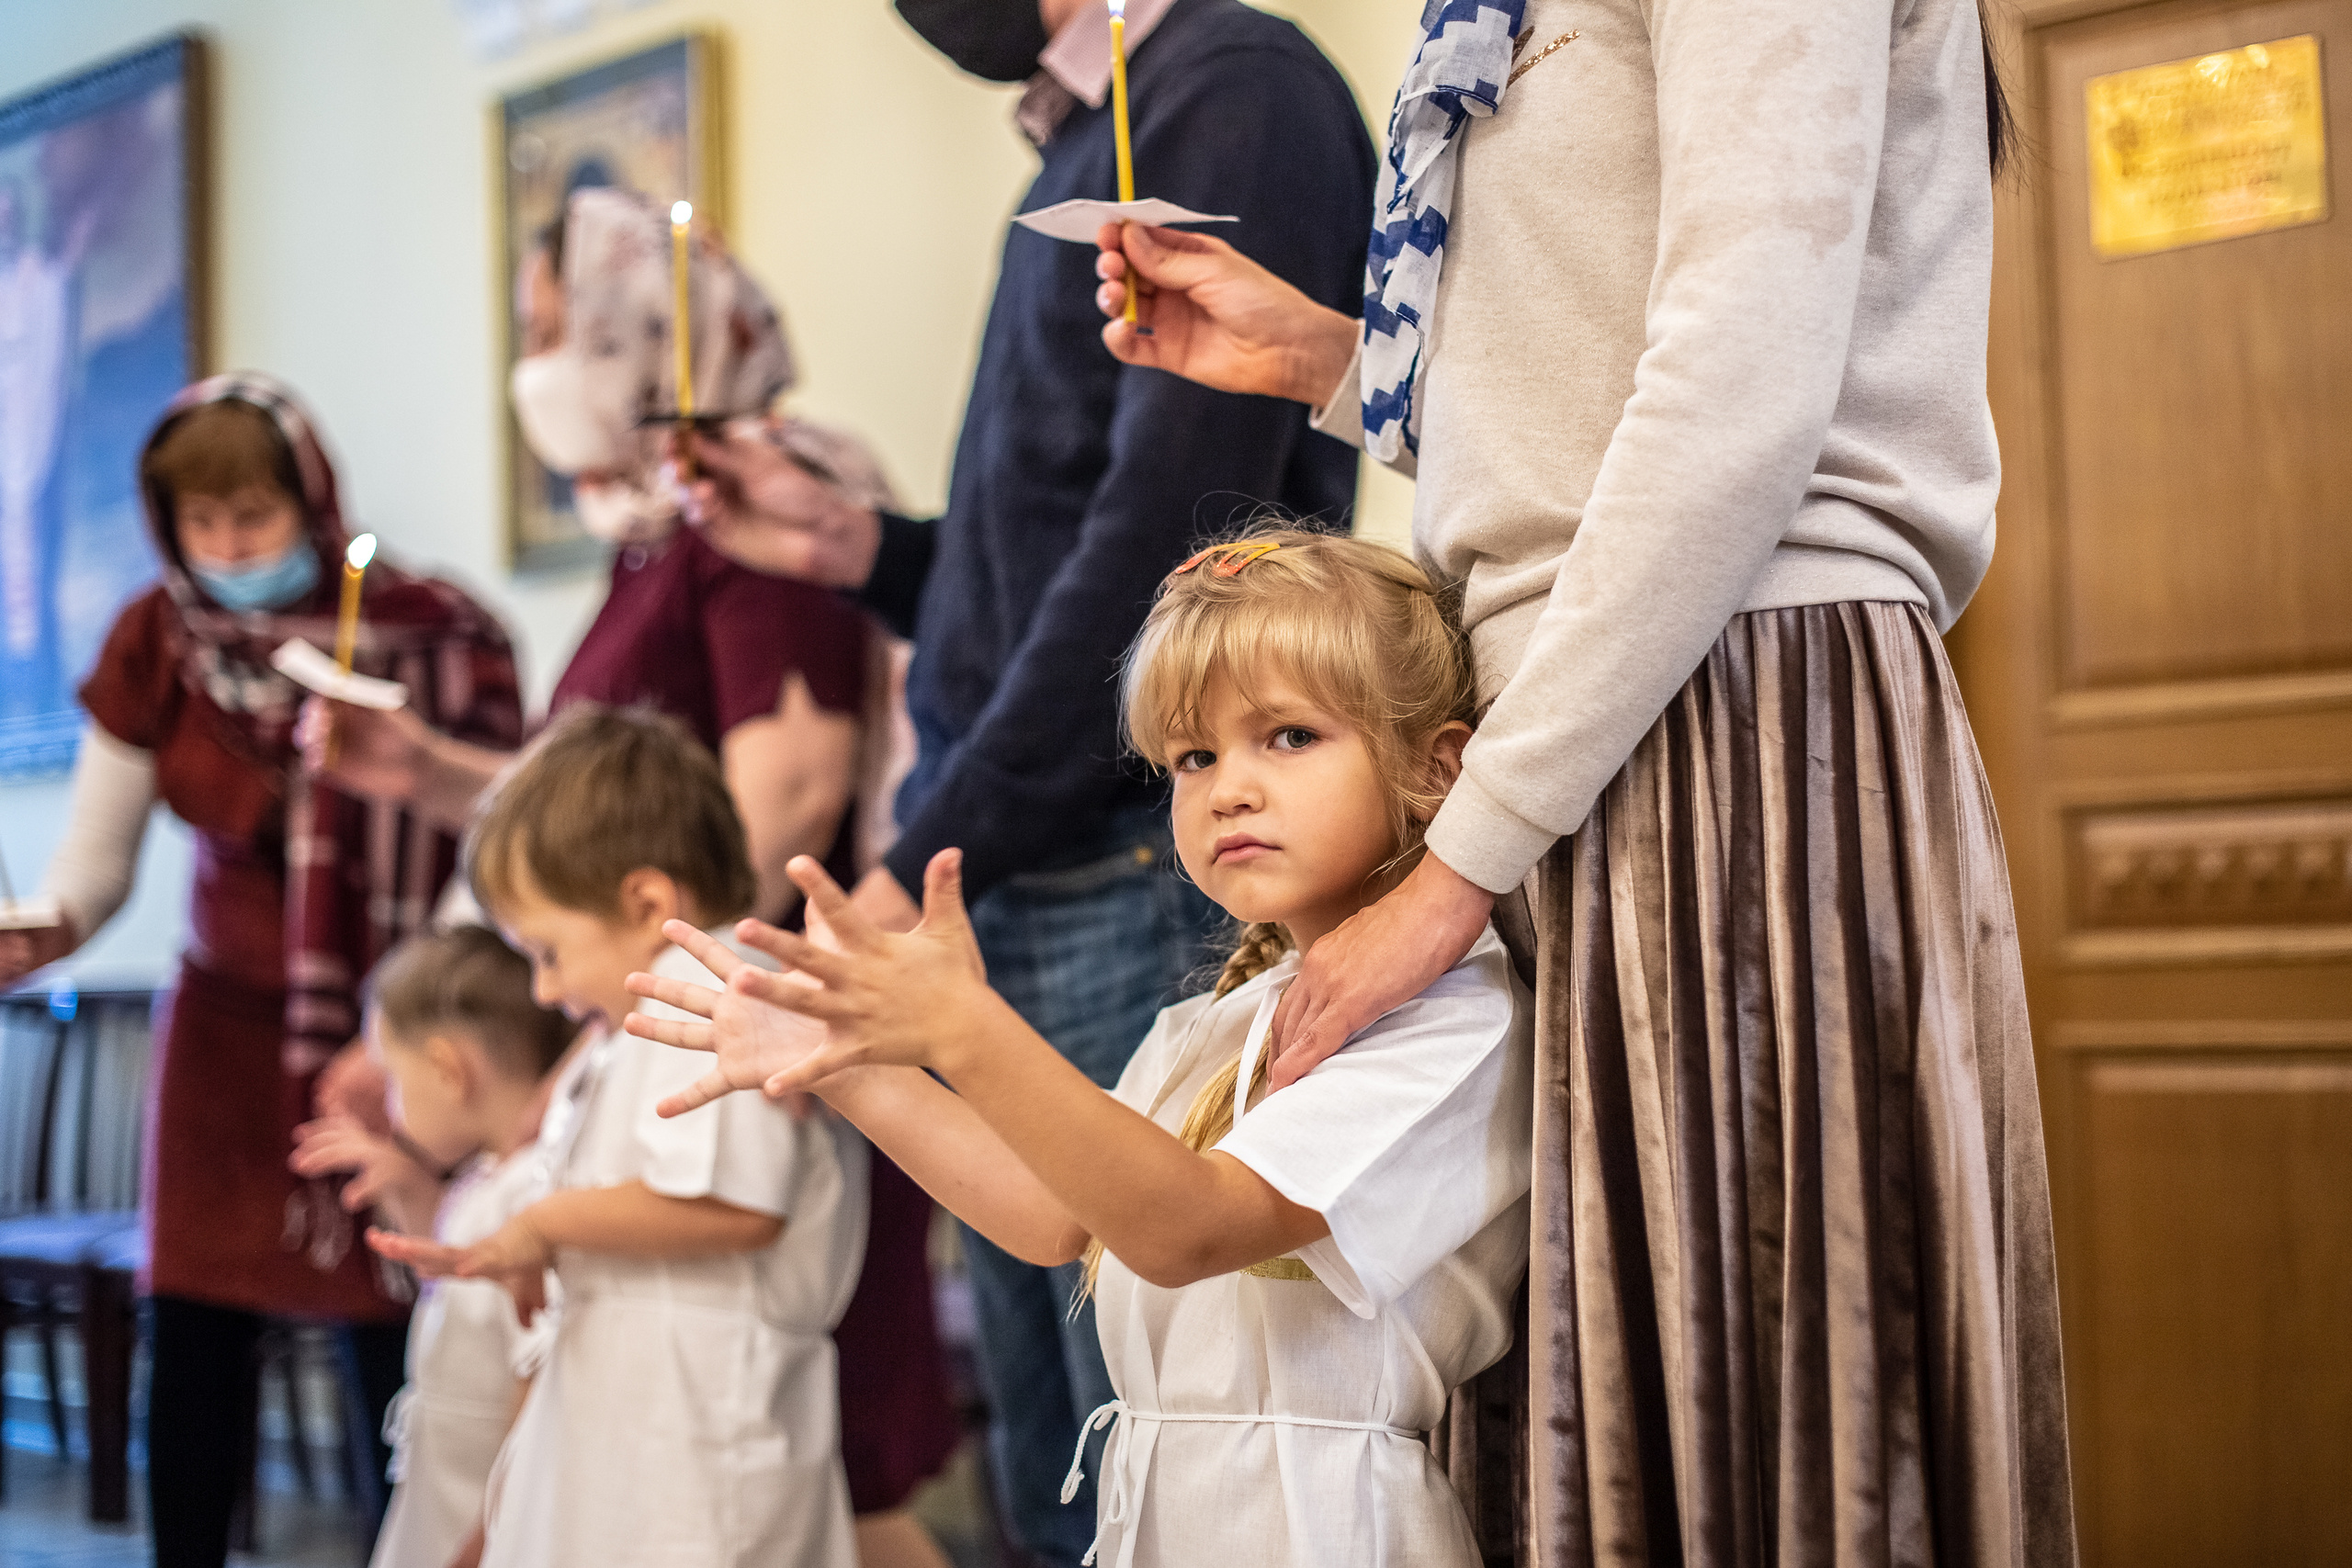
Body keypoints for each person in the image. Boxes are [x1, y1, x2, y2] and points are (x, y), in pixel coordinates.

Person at [1090, 3, 2075, 1563]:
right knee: (1608, 1407)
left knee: (1758, 1400)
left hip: (1738, 712)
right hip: (1587, 720)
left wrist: (1454, 870)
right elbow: (1589, 397)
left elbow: (1741, 389)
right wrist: (1325, 363)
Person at [675, 6, 1376, 1554]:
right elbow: (1043, 550)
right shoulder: (1090, 126)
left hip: (1126, 853)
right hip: (1026, 863)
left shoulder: (1227, 90)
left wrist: (919, 849)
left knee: (1135, 1412)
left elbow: (1164, 550)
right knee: (1055, 1445)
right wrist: (855, 546)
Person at [627, 530, 1532, 1567]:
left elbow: (1186, 1230)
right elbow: (1058, 1217)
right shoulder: (1210, 1023)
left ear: (1435, 768)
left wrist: (969, 1033)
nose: (1226, 788)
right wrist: (850, 1064)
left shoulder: (1455, 1020)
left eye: (1286, 736)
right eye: (1193, 757)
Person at [311, 187, 959, 1562]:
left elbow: (779, 797)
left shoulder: (752, 512)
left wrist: (652, 1001)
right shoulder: (651, 538)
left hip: (761, 1013)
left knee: (850, 1472)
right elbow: (585, 821)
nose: (540, 365)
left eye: (561, 332)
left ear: (643, 339)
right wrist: (431, 768)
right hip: (667, 1006)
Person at [0, 376, 522, 1568]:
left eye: (252, 514)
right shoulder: (157, 636)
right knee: (192, 1325)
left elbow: (500, 845)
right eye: (201, 522)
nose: (227, 546)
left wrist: (394, 1029)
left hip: (397, 1027)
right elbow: (95, 860)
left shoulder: (437, 631)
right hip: (225, 1031)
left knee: (394, 1318)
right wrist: (45, 931)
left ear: (310, 499)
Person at [372, 705, 867, 1568]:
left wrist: (545, 1224)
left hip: (699, 1459)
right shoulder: (629, 1026)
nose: (545, 985)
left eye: (549, 949)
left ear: (646, 902)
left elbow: (732, 1207)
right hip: (639, 1446)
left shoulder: (715, 991)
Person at [292, 926, 579, 1568]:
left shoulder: (533, 1197)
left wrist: (487, 1532)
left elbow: (537, 1379)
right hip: (439, 1486)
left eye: (394, 1078)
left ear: (450, 1070)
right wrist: (413, 1195)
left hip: (482, 1502)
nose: (392, 1108)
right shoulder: (482, 1179)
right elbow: (456, 1299)